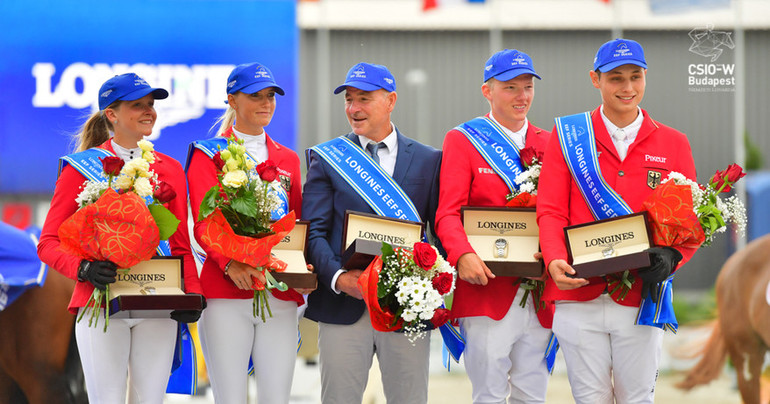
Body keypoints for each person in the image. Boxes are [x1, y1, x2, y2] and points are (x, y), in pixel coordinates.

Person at [537, 38, 699, 404]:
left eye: (635, 77)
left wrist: (673, 257)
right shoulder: (568, 137)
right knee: (589, 399)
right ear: (595, 79)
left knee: (638, 399)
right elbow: (550, 210)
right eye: (615, 79)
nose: (627, 88)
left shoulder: (674, 143)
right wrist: (553, 257)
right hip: (578, 293)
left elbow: (686, 223)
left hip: (641, 297)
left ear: (645, 78)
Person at [37, 73, 203, 404]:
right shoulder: (81, 168)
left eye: (151, 105)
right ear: (111, 114)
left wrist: (193, 293)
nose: (149, 111)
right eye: (137, 105)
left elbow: (182, 244)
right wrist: (83, 269)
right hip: (101, 301)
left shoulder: (169, 169)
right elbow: (48, 242)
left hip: (157, 300)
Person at [303, 62, 441, 404]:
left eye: (363, 98)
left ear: (390, 101)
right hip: (344, 305)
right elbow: (313, 233)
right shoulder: (328, 158)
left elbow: (439, 232)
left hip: (406, 309)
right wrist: (338, 278)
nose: (353, 108)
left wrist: (435, 282)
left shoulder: (428, 160)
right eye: (349, 100)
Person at [435, 49, 553, 404]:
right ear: (487, 91)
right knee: (488, 394)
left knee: (533, 395)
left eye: (528, 87)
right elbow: (446, 214)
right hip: (486, 287)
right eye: (510, 87)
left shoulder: (551, 143)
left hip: (540, 290)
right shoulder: (463, 140)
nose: (522, 96)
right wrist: (463, 256)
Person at [186, 62, 308, 404]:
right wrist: (230, 265)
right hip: (226, 290)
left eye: (270, 95)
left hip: (277, 292)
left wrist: (300, 269)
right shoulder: (207, 154)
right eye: (255, 96)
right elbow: (203, 221)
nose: (266, 103)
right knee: (230, 398)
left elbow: (297, 224)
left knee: (276, 397)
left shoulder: (289, 159)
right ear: (231, 100)